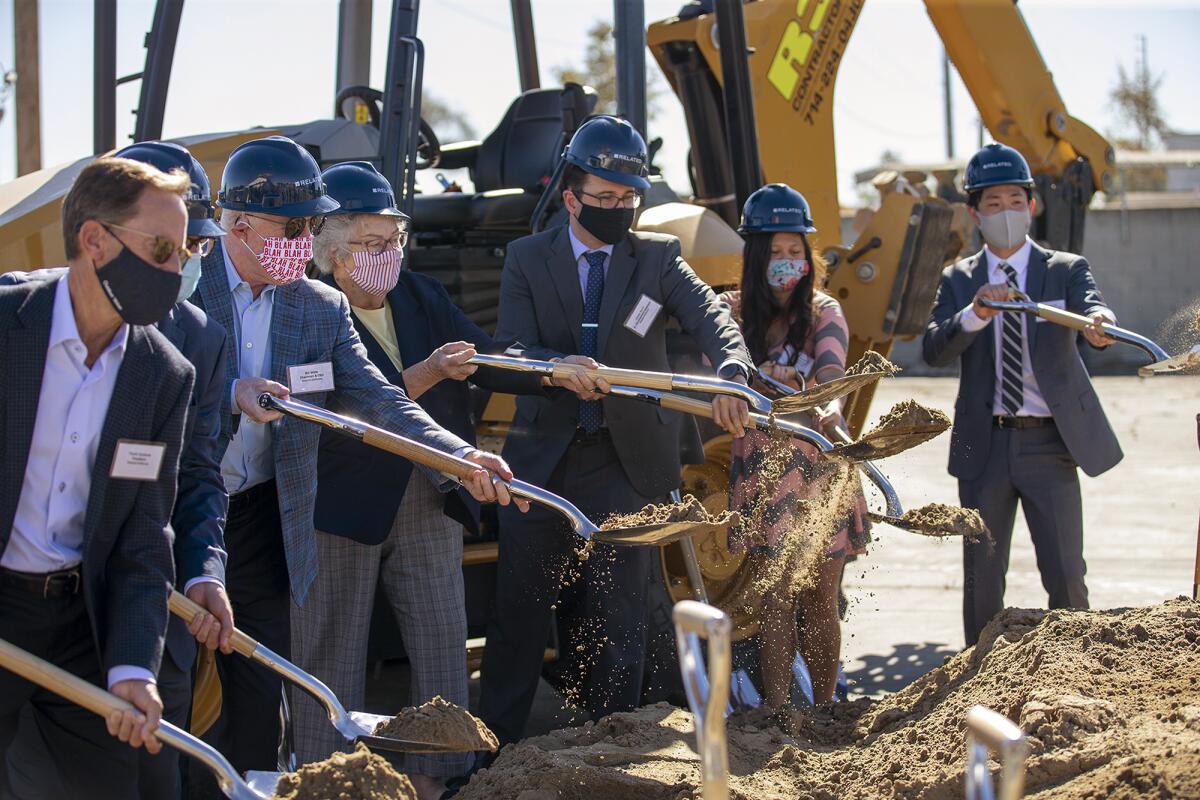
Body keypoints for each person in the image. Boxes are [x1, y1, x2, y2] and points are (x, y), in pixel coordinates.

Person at [190, 136, 522, 782]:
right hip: (183, 511)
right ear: (237, 225)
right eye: (294, 227)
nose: (302, 239)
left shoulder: (319, 307)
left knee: (260, 698)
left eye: (310, 225)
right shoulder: (185, 287)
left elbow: (381, 399)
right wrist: (231, 393)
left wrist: (458, 456)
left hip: (263, 521)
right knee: (181, 693)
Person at [478, 115, 754, 747]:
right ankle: (487, 755)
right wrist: (553, 371)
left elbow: (708, 313)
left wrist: (732, 367)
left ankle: (610, 749)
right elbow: (509, 350)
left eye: (628, 199)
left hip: (627, 465)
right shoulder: (527, 258)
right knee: (520, 613)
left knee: (620, 614)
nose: (617, 210)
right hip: (543, 464)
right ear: (571, 197)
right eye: (603, 198)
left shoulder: (656, 258)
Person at [292, 161, 537, 798]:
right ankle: (327, 780)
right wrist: (425, 374)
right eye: (368, 245)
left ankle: (441, 778)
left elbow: (486, 357)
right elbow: (334, 414)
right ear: (326, 247)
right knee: (332, 650)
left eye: (392, 242)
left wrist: (552, 368)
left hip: (429, 492)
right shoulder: (308, 312)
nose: (385, 257)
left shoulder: (420, 297)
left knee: (440, 642)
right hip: (341, 506)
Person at [0, 157, 195, 798]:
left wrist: (134, 667)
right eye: (161, 250)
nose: (176, 272)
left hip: (79, 616)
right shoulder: (7, 328)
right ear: (94, 240)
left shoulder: (162, 375)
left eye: (184, 253)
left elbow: (145, 536)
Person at [922, 143, 1122, 646]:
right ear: (974, 214)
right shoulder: (959, 279)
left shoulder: (1064, 269)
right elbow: (933, 348)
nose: (1005, 212)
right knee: (982, 582)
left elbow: (1094, 309)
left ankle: (1076, 674)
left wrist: (1102, 324)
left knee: (1067, 576)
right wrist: (976, 314)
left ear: (1031, 206)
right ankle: (979, 683)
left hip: (1050, 445)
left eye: (1015, 200)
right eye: (993, 204)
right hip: (984, 446)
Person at [720, 183, 871, 707]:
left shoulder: (825, 311)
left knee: (819, 597)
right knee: (775, 599)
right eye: (775, 252)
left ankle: (826, 708)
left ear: (809, 257)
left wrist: (828, 405)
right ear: (755, 256)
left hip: (817, 465)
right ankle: (779, 712)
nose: (787, 262)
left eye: (796, 252)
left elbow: (831, 376)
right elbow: (717, 367)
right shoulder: (732, 312)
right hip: (762, 470)